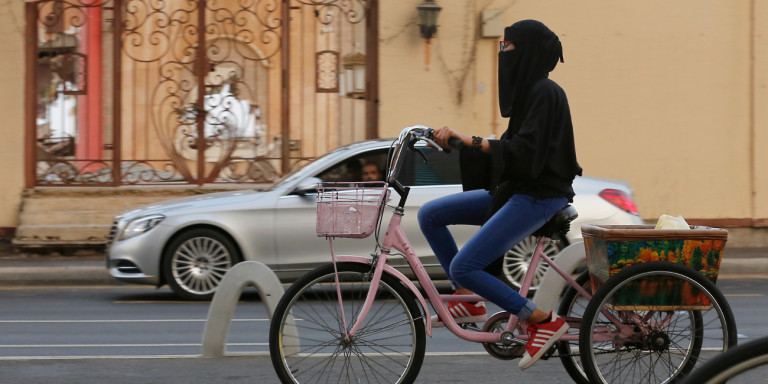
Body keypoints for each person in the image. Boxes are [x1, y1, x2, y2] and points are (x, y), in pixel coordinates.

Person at [417, 20, 582, 370]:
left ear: (527, 53)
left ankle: (541, 320)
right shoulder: (529, 95)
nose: (501, 54)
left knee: (465, 265)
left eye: (507, 47)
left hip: (540, 195)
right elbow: (511, 149)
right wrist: (463, 142)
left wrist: (472, 141)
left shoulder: (547, 93)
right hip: (518, 190)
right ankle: (468, 299)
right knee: (429, 215)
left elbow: (524, 152)